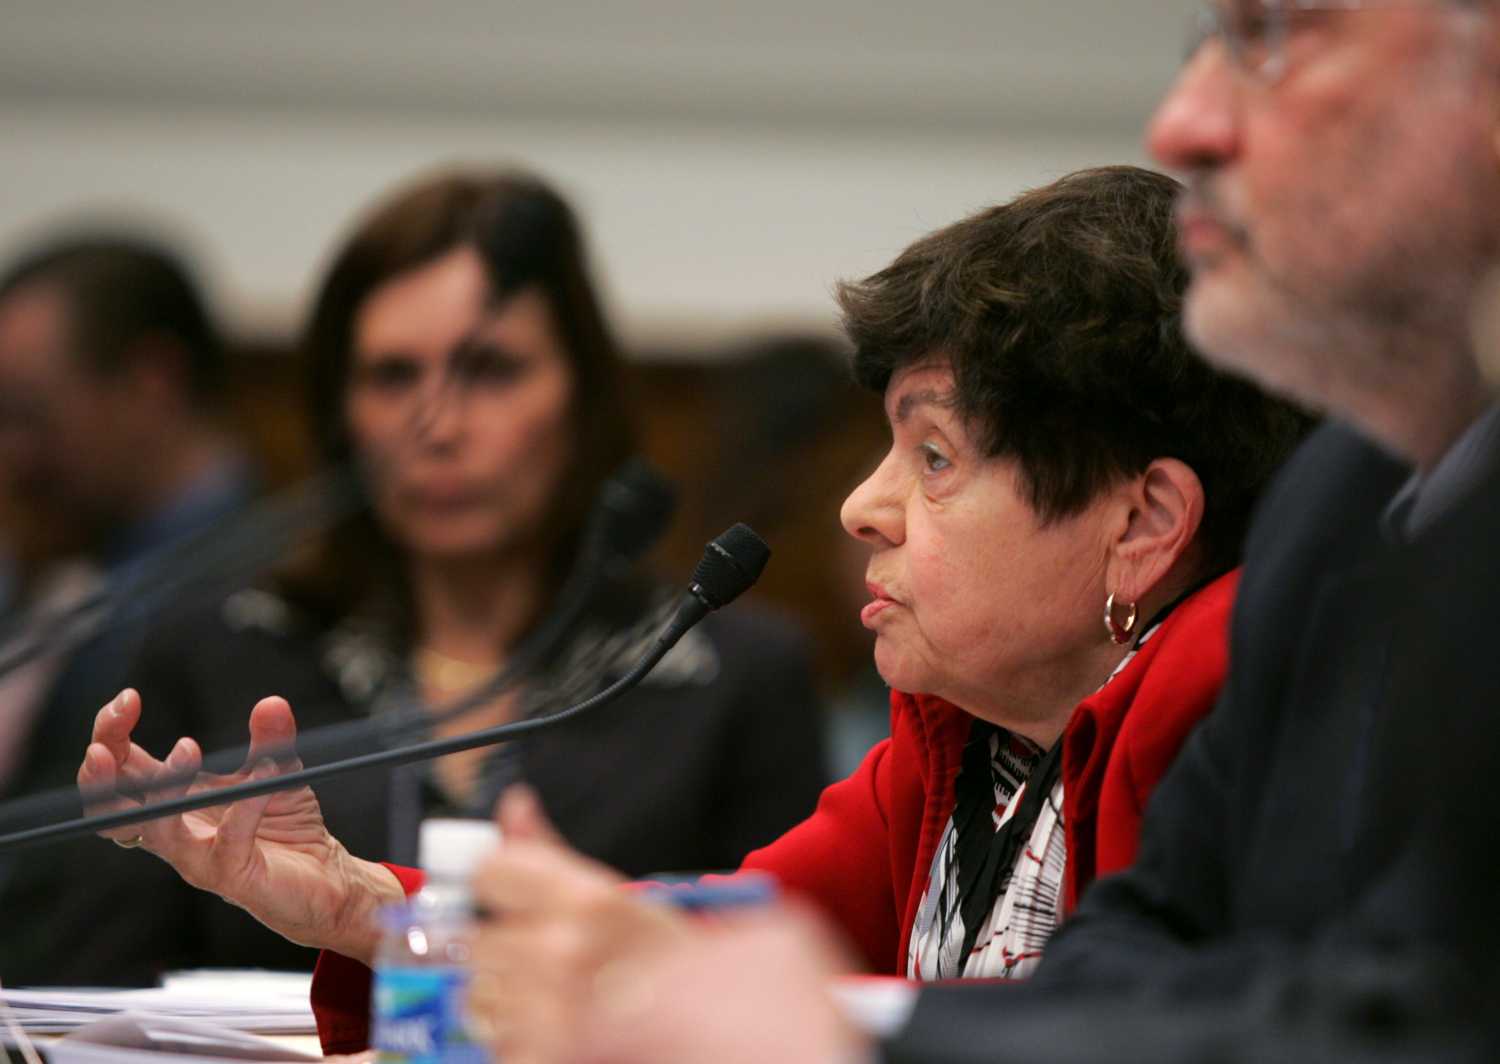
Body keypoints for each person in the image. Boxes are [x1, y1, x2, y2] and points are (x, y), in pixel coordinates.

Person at [76, 164, 1311, 1052]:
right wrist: (354, 903)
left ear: (1145, 522)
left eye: (932, 458)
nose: (860, 509)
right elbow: (677, 946)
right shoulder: (962, 747)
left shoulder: (1228, 698)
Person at [507, 1, 1500, 1061]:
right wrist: (378, 901)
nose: (1183, 119)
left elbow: (1387, 1018)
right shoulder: (1336, 499)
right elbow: (1125, 962)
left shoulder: (1212, 660)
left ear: (1144, 523)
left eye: (1270, 38)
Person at [56, 168, 828, 984]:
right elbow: (97, 989)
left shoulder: (729, 673)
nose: (438, 424)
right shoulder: (214, 651)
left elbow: (779, 989)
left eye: (490, 369)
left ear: (582, 398)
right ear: (340, 411)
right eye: (393, 376)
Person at [0, 234, 255, 986]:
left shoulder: (257, 591)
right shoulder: (70, 570)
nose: (12, 452)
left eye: (30, 414)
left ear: (151, 380)